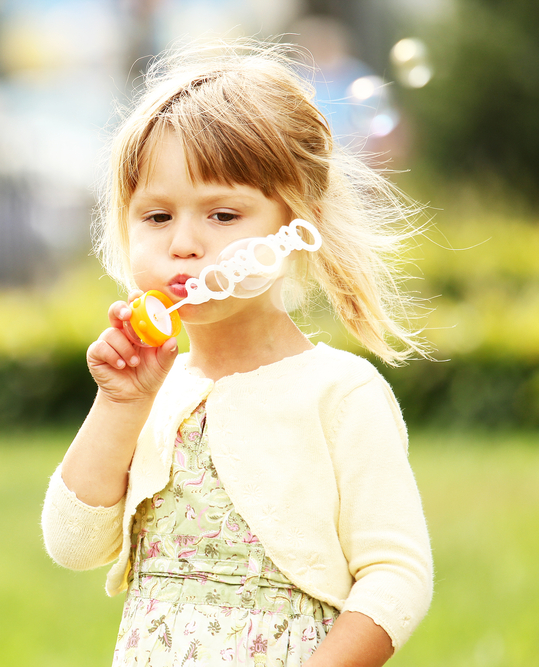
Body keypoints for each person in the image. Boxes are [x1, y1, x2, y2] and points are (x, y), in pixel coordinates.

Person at [40, 41, 433, 667]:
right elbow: (73, 543)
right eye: (158, 215)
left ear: (300, 221)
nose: (186, 244)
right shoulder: (152, 392)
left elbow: (397, 575)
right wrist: (120, 405)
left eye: (224, 214)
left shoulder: (338, 392)